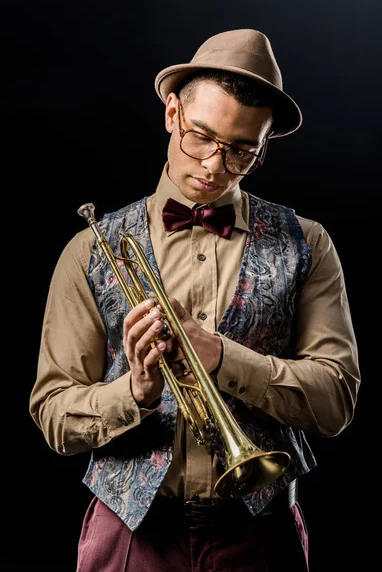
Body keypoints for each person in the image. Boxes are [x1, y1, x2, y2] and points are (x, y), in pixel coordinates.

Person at [29, 28, 360, 572]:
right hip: (131, 534)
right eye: (200, 136)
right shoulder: (90, 250)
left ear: (264, 145)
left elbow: (336, 400)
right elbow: (52, 415)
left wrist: (225, 359)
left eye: (241, 152)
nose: (213, 164)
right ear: (172, 112)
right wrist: (133, 393)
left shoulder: (309, 244)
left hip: (258, 533)